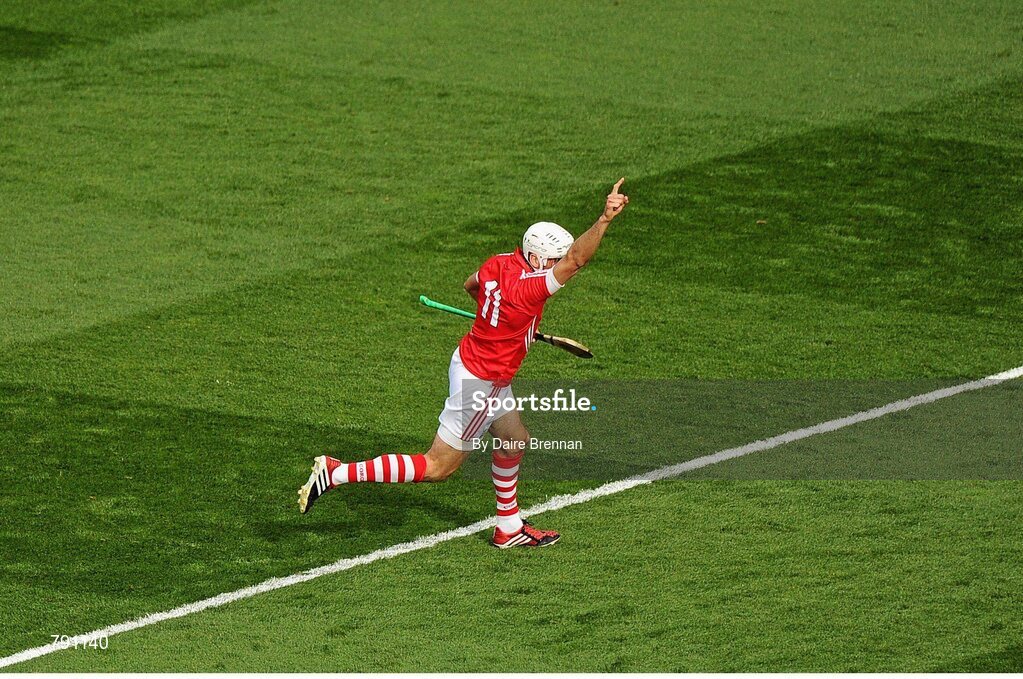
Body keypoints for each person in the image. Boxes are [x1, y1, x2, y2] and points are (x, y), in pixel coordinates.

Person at [298, 178, 629, 548]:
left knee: (514, 438)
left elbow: (472, 285)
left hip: (471, 359)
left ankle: (508, 528)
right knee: (439, 466)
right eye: (550, 261)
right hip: (484, 381)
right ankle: (337, 471)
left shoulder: (499, 263)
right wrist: (603, 220)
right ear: (536, 258)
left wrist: (498, 319)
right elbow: (577, 260)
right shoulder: (530, 289)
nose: (557, 267)